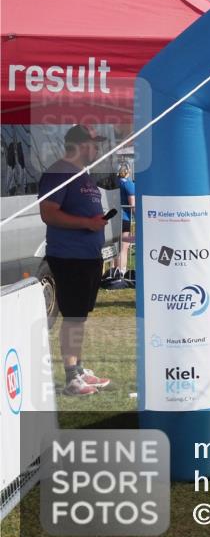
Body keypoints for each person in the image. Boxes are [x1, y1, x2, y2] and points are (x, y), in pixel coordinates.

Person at [38, 125, 113, 396]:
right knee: (73, 317)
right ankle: (72, 377)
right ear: (81, 145)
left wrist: (94, 223)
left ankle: (78, 369)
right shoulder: (58, 172)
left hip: (87, 256)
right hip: (69, 256)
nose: (97, 149)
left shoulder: (82, 174)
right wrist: (87, 223)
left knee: (79, 317)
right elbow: (48, 213)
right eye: (94, 144)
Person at [114, 163, 135, 279]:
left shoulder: (114, 183)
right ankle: (121, 272)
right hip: (124, 218)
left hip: (113, 217)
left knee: (115, 247)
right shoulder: (128, 184)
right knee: (124, 247)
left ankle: (114, 271)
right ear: (127, 171)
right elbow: (133, 205)